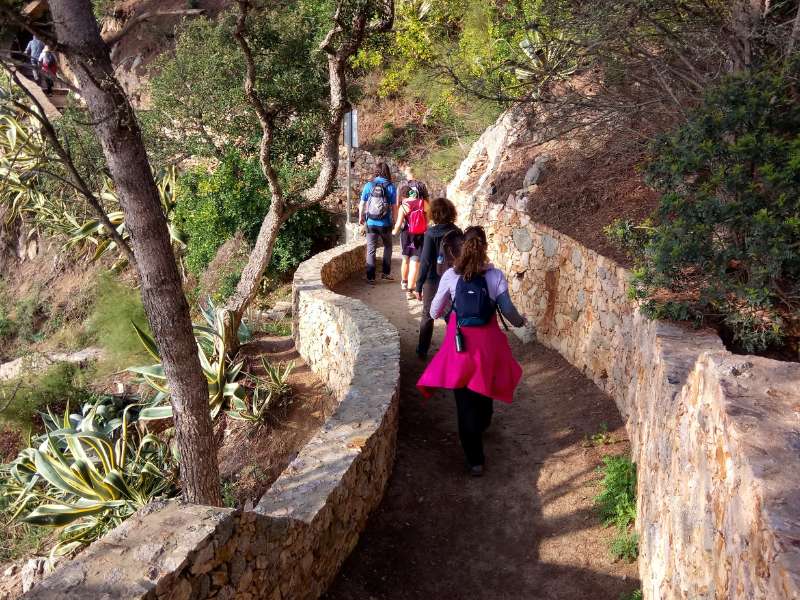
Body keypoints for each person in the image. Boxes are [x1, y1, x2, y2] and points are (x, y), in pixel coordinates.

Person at [417, 226, 526, 476]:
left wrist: (454, 314)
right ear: (485, 246)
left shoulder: (450, 277)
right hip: (488, 347)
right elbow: (508, 310)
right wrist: (521, 322)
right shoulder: (495, 275)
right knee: (484, 390)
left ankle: (475, 460)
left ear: (461, 247)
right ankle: (483, 422)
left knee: (464, 404)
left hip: (460, 347)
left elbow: (434, 312)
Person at [414, 197, 460, 358]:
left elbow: (425, 262)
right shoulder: (457, 232)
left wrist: (418, 286)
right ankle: (455, 348)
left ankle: (422, 350)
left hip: (433, 280)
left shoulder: (430, 234)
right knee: (451, 315)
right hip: (453, 278)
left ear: (433, 213)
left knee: (427, 315)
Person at [359, 162, 397, 285]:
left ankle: (370, 277)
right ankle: (385, 273)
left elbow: (362, 203)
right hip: (385, 223)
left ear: (376, 171)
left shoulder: (369, 185)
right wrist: (395, 220)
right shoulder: (390, 186)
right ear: (387, 172)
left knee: (371, 249)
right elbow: (394, 206)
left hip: (371, 222)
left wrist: (361, 218)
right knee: (388, 246)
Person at [392, 179, 429, 298]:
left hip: (407, 235)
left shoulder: (404, 206)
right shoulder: (423, 203)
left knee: (405, 259)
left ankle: (404, 282)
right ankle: (410, 290)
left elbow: (398, 224)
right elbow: (429, 218)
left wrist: (393, 232)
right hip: (419, 235)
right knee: (415, 262)